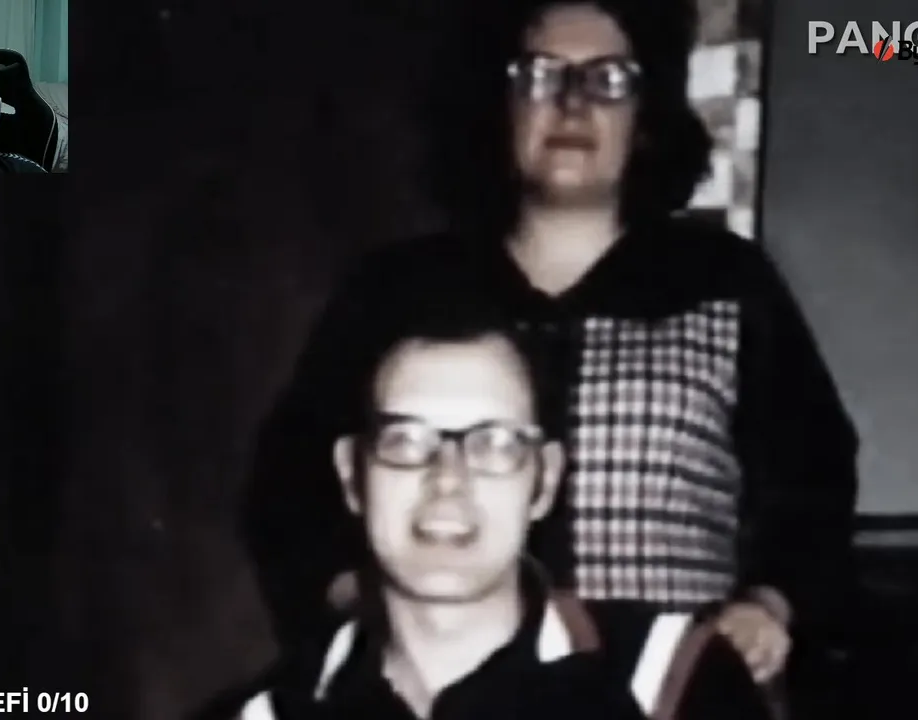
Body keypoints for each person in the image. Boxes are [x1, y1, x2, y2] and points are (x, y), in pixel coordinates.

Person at [242, 0, 858, 711]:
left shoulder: (725, 283)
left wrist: (770, 605)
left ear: (647, 116)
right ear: (498, 105)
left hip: (664, 695)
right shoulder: (401, 291)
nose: (572, 103)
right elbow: (293, 484)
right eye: (541, 76)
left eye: (608, 81)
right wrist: (369, 611)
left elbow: (814, 478)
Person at [218, 305, 770, 720]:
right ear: (352, 476)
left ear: (544, 480)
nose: (448, 479)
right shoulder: (271, 714)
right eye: (406, 440)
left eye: (495, 444)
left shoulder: (675, 681)